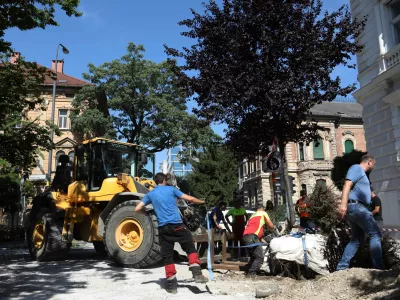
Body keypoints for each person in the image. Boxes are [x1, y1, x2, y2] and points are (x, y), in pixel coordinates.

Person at [134, 173, 208, 294]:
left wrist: (147, 213)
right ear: (164, 180)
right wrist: (201, 202)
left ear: (156, 181)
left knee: (167, 257)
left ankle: (171, 286)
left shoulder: (150, 194)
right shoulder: (171, 189)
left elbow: (137, 209)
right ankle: (197, 274)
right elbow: (190, 199)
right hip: (177, 226)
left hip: (163, 229)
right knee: (189, 247)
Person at [337, 154, 383, 271]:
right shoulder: (356, 168)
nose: (374, 167)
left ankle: (342, 267)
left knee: (357, 239)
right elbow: (347, 184)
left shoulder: (362, 174)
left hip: (356, 208)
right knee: (376, 234)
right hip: (357, 207)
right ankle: (378, 268)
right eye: (374, 164)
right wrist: (343, 204)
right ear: (369, 162)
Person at [242, 204, 274, 276]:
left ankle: (250, 270)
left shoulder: (252, 216)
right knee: (259, 257)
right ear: (262, 209)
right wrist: (273, 230)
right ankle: (251, 274)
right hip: (252, 237)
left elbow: (259, 237)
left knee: (254, 257)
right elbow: (271, 226)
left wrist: (265, 243)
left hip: (245, 237)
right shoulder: (263, 213)